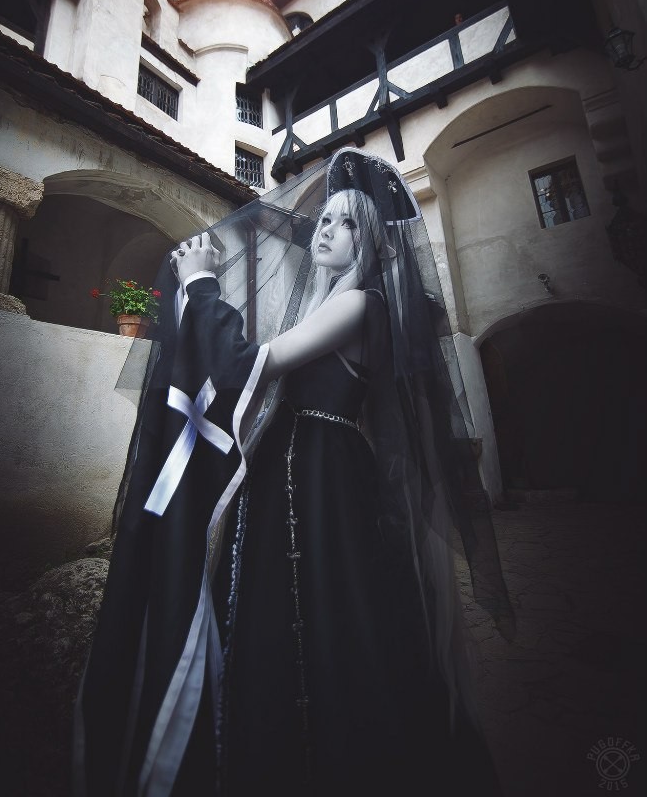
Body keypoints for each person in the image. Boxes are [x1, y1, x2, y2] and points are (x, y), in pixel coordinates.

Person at [74, 148, 513, 797]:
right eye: (324, 219)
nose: (326, 230)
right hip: (293, 474)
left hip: (321, 480)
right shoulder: (326, 303)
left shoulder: (360, 304)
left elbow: (248, 367)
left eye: (345, 222)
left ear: (371, 241)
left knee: (331, 622)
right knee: (279, 623)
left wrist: (201, 285)